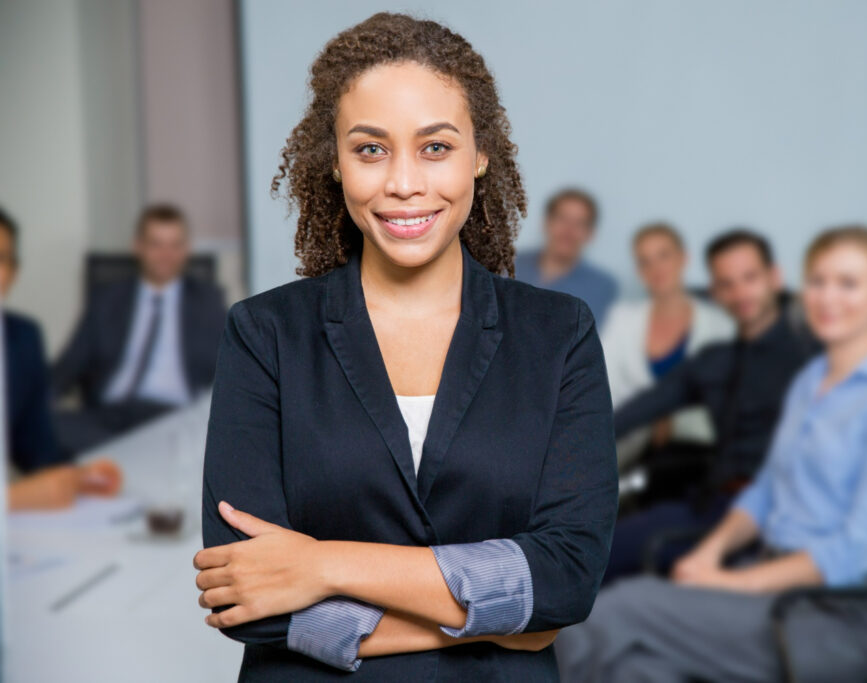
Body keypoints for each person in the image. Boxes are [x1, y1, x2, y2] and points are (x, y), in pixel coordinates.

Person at [193, 13, 618, 682]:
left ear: (480, 154)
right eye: (370, 149)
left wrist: (322, 565)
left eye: (435, 147)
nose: (403, 183)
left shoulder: (559, 334)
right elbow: (245, 598)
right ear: (334, 162)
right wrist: (508, 617)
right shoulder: (264, 334)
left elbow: (567, 578)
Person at [556, 225, 867, 683]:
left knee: (618, 613)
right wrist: (709, 557)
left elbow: (852, 551)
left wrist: (728, 583)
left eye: (849, 283)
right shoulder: (812, 380)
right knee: (635, 669)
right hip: (766, 577)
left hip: (833, 614)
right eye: (818, 281)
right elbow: (766, 491)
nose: (828, 297)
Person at [603, 229, 814, 584]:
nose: (740, 293)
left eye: (750, 278)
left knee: (599, 564)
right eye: (727, 283)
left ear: (774, 278)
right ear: (715, 292)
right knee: (590, 552)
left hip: (770, 521)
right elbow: (633, 413)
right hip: (708, 504)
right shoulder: (714, 361)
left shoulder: (810, 361)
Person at [51, 204, 227, 454]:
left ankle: (119, 462)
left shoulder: (208, 302)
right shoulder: (107, 300)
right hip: (107, 418)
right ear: (138, 246)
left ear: (186, 249)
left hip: (172, 418)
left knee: (195, 440)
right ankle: (129, 459)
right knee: (48, 426)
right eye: (156, 244)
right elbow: (68, 366)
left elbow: (226, 370)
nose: (166, 254)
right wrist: (34, 406)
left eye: (175, 245)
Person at [0, 207, 121, 509]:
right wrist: (12, 499)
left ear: (13, 272)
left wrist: (77, 477)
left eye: (1, 258)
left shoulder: (22, 338)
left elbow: (35, 448)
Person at [600, 222, 733, 468]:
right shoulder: (622, 319)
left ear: (684, 258)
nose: (655, 268)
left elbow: (724, 406)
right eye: (644, 261)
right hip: (624, 445)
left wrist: (670, 419)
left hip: (696, 452)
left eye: (663, 255)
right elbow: (601, 387)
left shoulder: (720, 326)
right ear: (638, 271)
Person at [514, 188, 618, 327]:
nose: (568, 230)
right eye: (562, 219)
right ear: (546, 223)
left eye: (579, 223)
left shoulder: (601, 287)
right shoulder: (508, 264)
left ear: (591, 234)